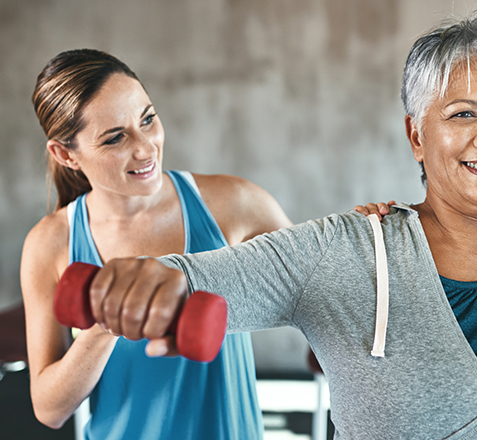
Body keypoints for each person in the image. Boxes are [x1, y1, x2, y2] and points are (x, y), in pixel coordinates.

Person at [66, 9, 477, 439]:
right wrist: (143, 284)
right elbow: (195, 277)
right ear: (417, 134)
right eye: (463, 113)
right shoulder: (342, 254)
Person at [20, 49, 385, 439]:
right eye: (114, 138)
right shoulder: (51, 243)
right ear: (65, 154)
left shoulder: (234, 203)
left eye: (148, 119)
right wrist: (105, 324)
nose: (145, 148)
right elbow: (49, 409)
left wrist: (366, 239)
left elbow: (322, 292)